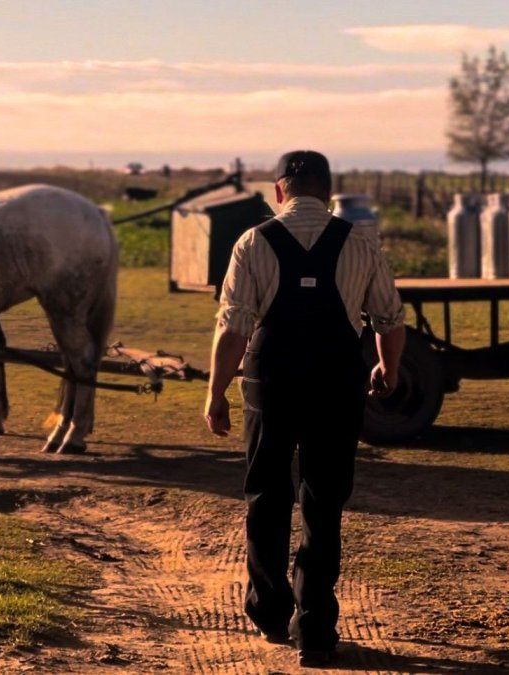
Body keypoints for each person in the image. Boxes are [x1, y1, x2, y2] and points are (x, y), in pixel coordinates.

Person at [204, 150, 406, 668]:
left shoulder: (252, 241)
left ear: (279, 191)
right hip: (336, 382)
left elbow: (234, 327)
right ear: (328, 191)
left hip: (271, 381)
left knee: (267, 492)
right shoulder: (361, 240)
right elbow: (388, 318)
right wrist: (388, 368)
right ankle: (315, 626)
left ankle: (271, 612)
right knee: (324, 498)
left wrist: (217, 391)